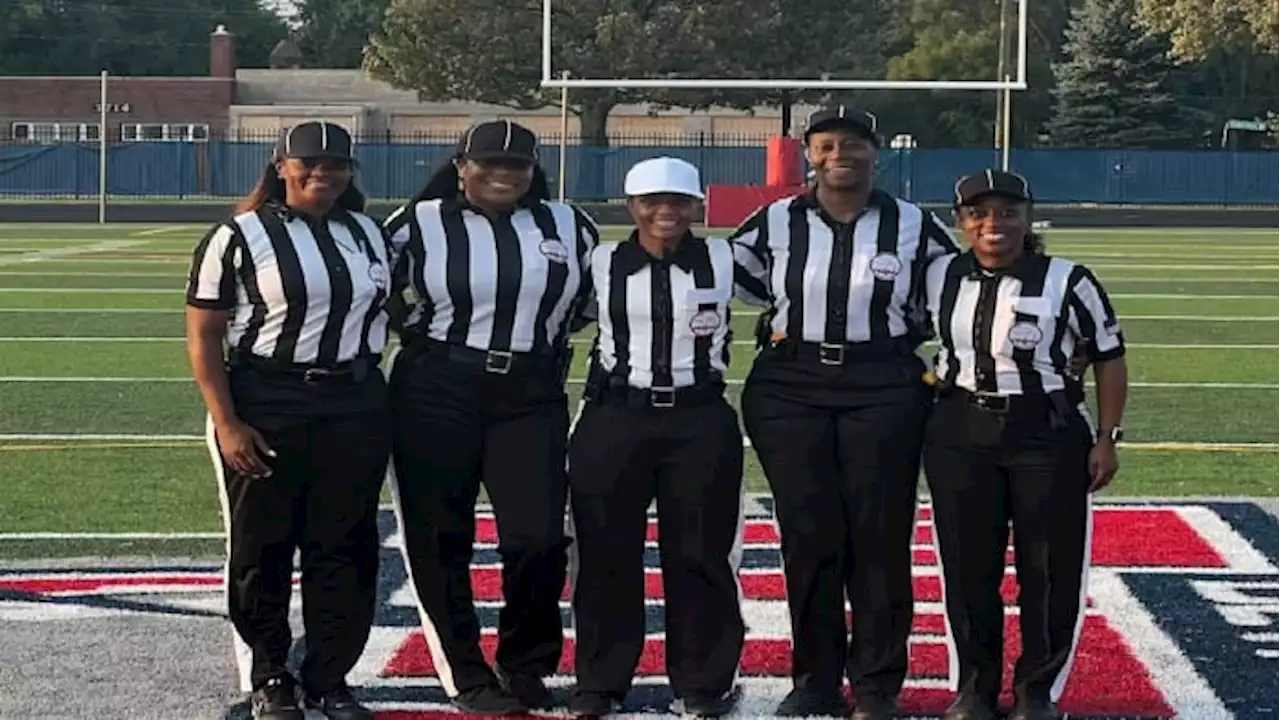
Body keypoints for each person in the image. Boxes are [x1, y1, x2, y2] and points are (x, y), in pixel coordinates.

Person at [729, 105, 960, 720]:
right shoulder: (775, 220)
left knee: (878, 534)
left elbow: (955, 296)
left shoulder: (914, 224)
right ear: (809, 153)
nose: (840, 155)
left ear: (873, 153)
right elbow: (738, 279)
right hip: (790, 386)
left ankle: (877, 683)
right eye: (826, 144)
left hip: (883, 382)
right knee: (808, 534)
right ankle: (816, 679)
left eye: (853, 144)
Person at [381, 119, 600, 716]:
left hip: (530, 392)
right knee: (439, 536)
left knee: (538, 536)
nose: (503, 174)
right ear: (461, 165)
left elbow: (591, 300)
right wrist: (419, 338)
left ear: (533, 170)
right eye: (489, 163)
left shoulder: (567, 223)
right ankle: (467, 674)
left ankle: (525, 663)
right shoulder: (417, 223)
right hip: (436, 387)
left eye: (517, 165)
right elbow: (373, 288)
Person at [185, 120, 391, 720]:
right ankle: (270, 673)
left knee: (345, 545)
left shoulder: (369, 234)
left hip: (354, 401)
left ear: (351, 172)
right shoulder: (239, 235)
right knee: (263, 546)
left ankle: (330, 675)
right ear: (280, 166)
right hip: (267, 399)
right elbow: (203, 335)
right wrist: (226, 421)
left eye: (336, 164)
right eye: (309, 162)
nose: (322, 172)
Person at [922, 170, 1127, 720]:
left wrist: (1108, 438)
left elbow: (1108, 355)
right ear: (961, 221)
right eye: (979, 213)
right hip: (960, 430)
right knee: (968, 567)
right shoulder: (939, 275)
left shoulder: (1069, 279)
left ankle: (1037, 690)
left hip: (1047, 431)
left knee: (1048, 567)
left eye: (1008, 211)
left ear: (1028, 217)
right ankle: (975, 687)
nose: (994, 224)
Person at [564, 157, 745, 718]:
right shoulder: (598, 261)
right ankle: (601, 681)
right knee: (604, 552)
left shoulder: (728, 256)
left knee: (700, 552)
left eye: (678, 201)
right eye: (652, 200)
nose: (665, 210)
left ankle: (702, 683)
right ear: (631, 205)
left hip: (699, 416)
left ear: (696, 206)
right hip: (617, 413)